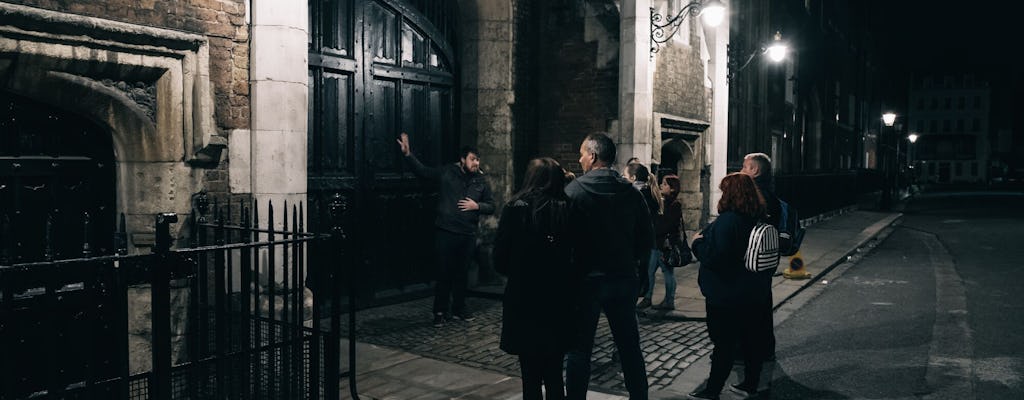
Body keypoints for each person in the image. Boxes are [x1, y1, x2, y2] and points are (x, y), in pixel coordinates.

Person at [565, 133, 653, 400]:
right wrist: (638, 273)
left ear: (592, 156)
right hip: (622, 278)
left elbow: (565, 240)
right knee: (629, 346)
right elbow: (645, 239)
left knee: (579, 349)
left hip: (585, 281)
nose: (580, 159)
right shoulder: (630, 193)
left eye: (582, 153)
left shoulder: (574, 191)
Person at [494, 157, 574, 400]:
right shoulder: (569, 207)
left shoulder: (514, 208)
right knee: (553, 373)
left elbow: (500, 260)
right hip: (558, 299)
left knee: (529, 377)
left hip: (524, 298)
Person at [687, 173, 773, 400]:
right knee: (750, 341)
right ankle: (750, 384)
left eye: (724, 190)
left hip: (727, 294)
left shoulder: (728, 221)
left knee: (723, 344)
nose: (722, 194)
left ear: (731, 193)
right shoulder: (757, 216)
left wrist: (697, 244)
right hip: (754, 292)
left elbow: (717, 258)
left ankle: (712, 390)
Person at [397, 132, 494, 327]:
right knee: (444, 273)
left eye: (478, 160)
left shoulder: (480, 181)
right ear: (462, 159)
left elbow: (491, 205)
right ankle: (440, 311)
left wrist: (478, 206)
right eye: (473, 159)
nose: (476, 163)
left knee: (462, 273)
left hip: (467, 234)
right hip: (446, 232)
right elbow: (423, 172)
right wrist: (408, 154)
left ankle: (459, 308)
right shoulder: (447, 172)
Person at [740, 152, 781, 366]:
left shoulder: (755, 195)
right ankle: (766, 350)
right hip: (767, 258)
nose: (742, 170)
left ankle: (749, 353)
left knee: (750, 309)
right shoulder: (770, 193)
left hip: (752, 260)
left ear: (755, 170)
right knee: (763, 306)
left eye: (745, 166)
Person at [623, 163, 661, 310]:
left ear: (632, 178)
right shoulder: (649, 193)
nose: (622, 179)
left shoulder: (635, 196)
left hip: (637, 248)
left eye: (625, 176)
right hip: (645, 246)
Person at [643, 174, 684, 310]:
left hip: (665, 244)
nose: (662, 185)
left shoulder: (674, 204)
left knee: (667, 272)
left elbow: (668, 225)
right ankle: (647, 298)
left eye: (665, 184)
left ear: (672, 189)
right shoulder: (661, 201)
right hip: (656, 243)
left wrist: (655, 227)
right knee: (649, 272)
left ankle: (669, 301)